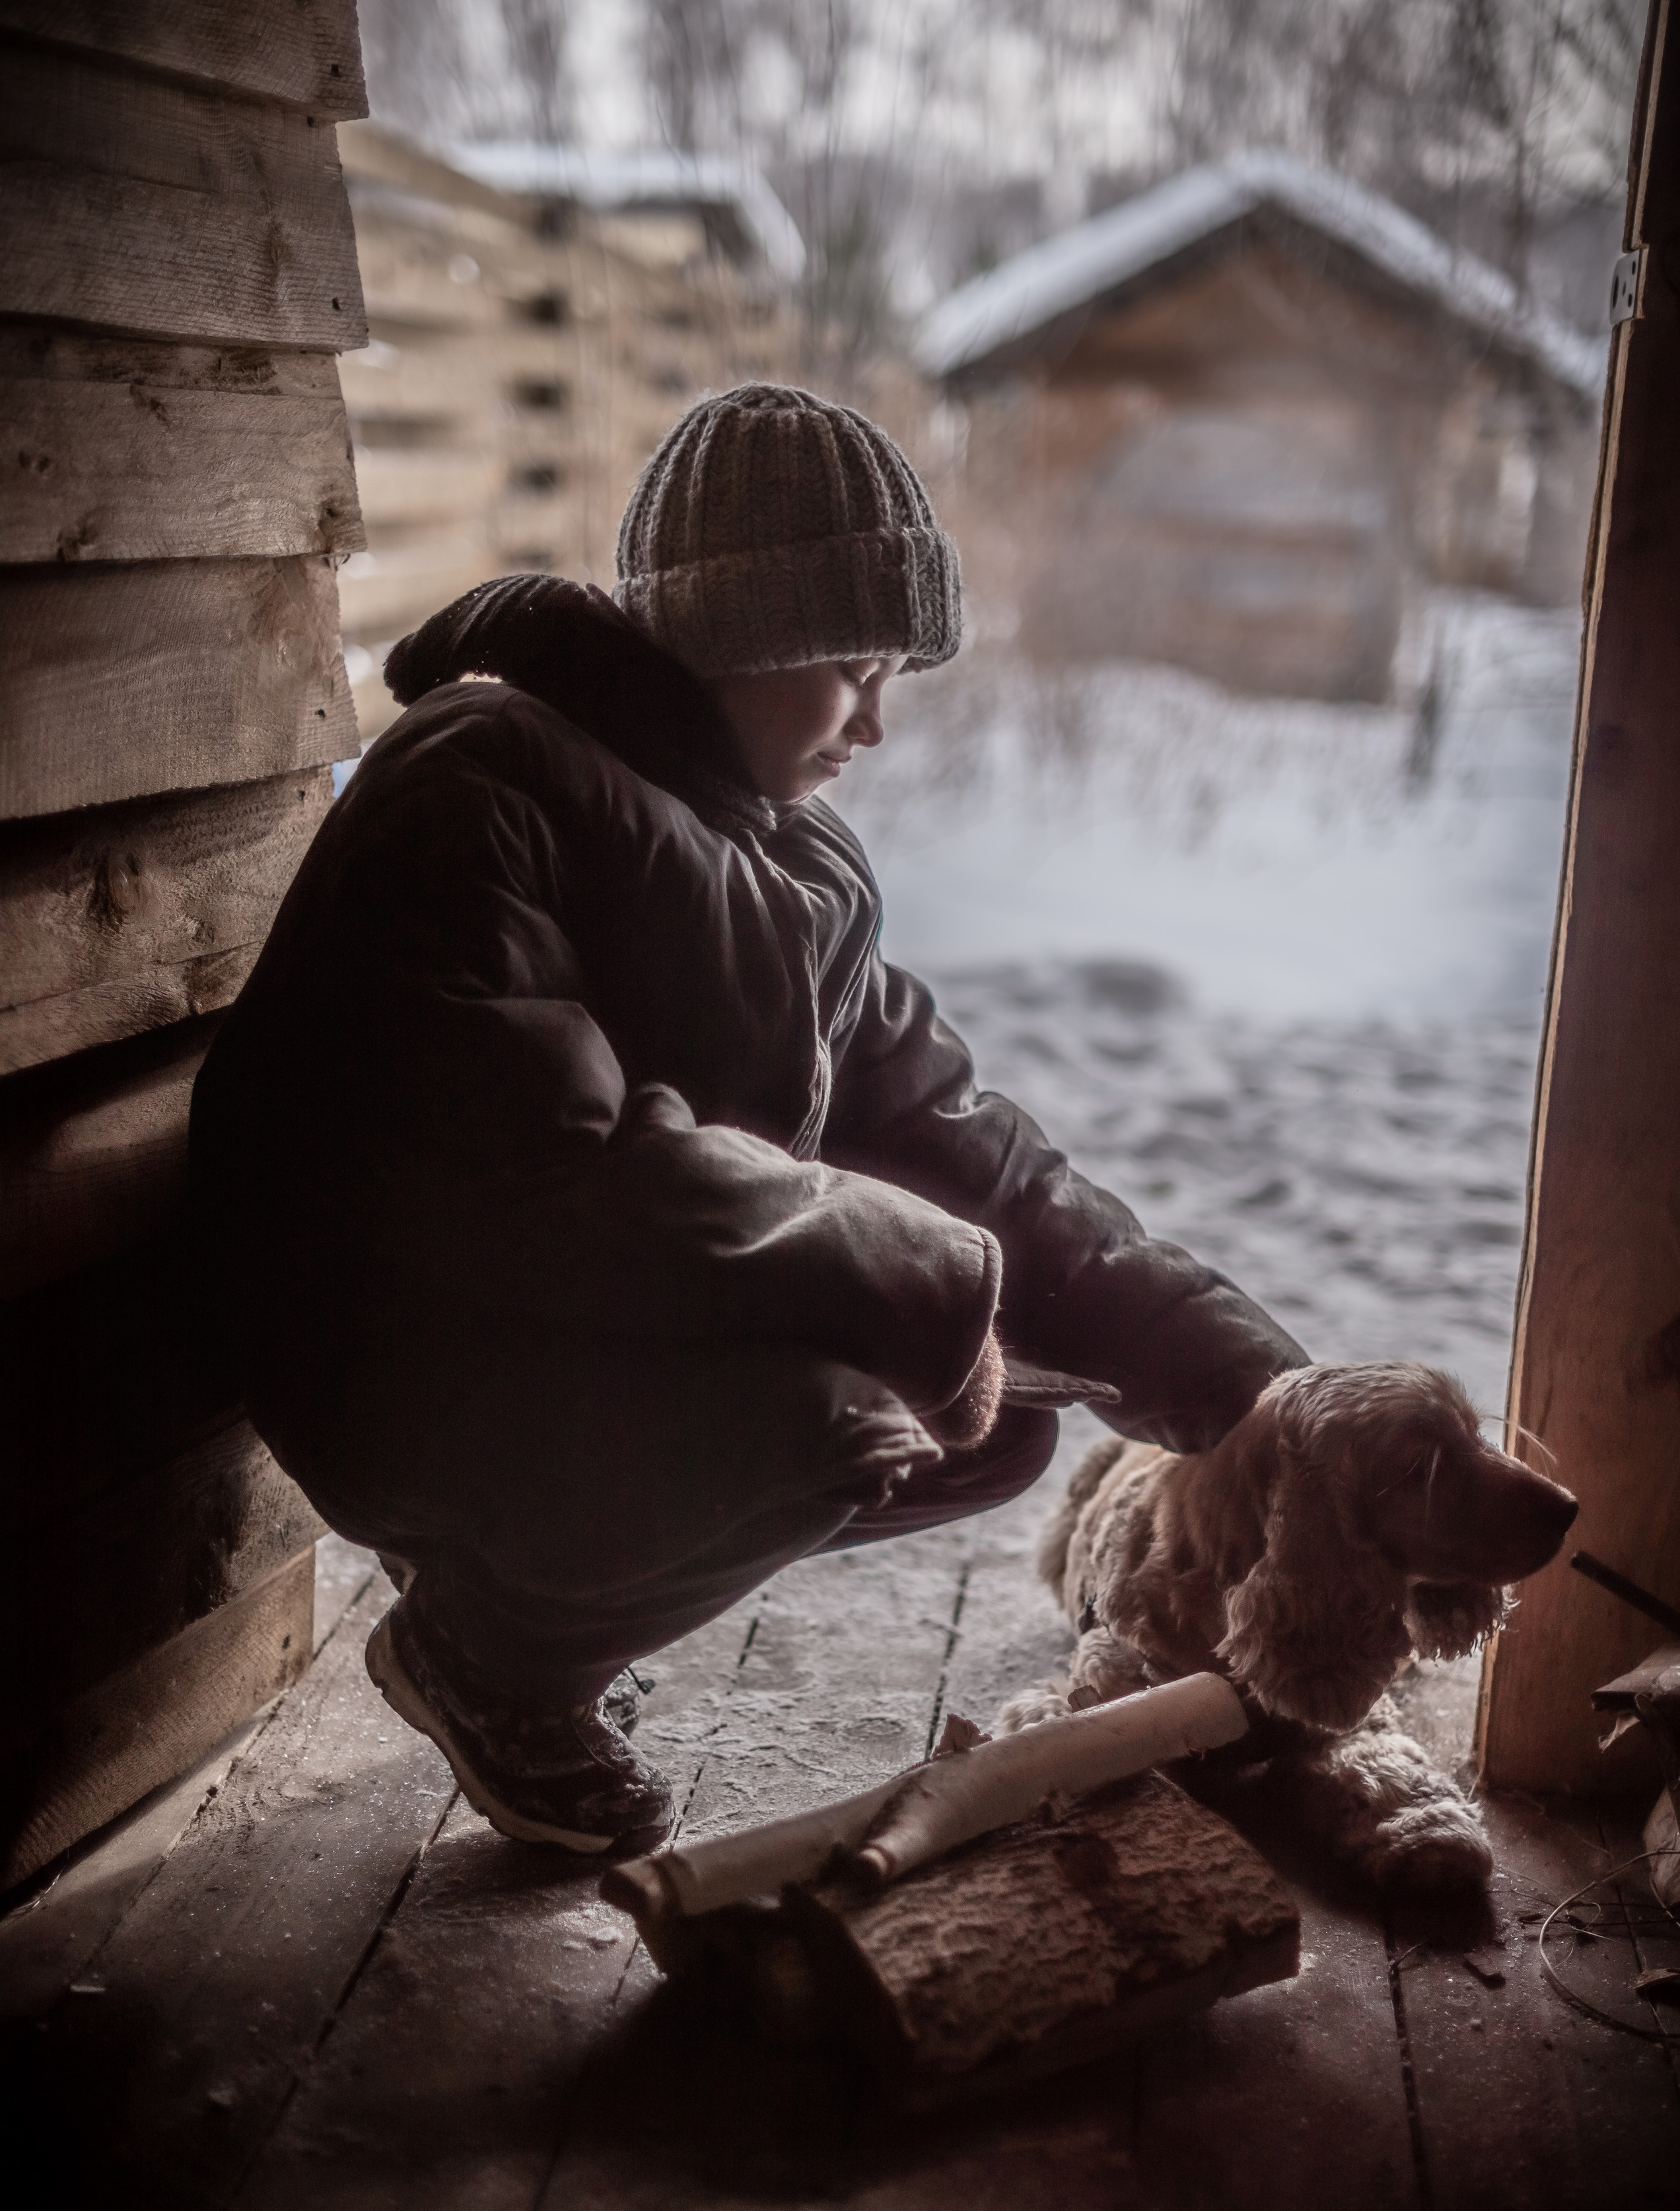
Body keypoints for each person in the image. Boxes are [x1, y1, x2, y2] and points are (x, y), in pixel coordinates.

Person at [190, 382, 1306, 1862]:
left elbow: (960, 1139)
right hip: (382, 1347)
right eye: (856, 665)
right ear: (742, 636)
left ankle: (536, 1586)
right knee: (843, 1416)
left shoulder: (782, 860)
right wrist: (921, 1279)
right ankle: (493, 1651)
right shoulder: (471, 794)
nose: (879, 723)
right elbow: (550, 1179)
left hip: (544, 1324)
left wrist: (1236, 1380)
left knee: (980, 1423)